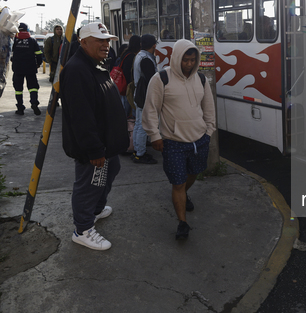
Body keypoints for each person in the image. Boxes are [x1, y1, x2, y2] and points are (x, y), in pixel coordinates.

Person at [60, 22, 128, 251]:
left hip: (105, 143)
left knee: (112, 170)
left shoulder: (95, 65)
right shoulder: (78, 69)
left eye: (107, 40)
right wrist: (94, 149)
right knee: (90, 183)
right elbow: (82, 117)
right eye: (100, 40)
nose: (106, 45)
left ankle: (96, 210)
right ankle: (83, 229)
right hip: (94, 147)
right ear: (84, 42)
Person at [142, 39, 216, 240]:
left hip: (199, 139)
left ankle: (183, 194)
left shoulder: (200, 79)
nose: (189, 64)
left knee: (192, 174)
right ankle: (182, 222)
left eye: (193, 60)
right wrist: (154, 136)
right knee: (177, 183)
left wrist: (209, 132)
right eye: (185, 60)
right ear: (176, 58)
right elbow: (150, 110)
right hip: (173, 142)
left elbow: (208, 108)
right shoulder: (161, 79)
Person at [131, 34, 159, 164]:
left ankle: (137, 151)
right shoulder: (146, 59)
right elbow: (151, 80)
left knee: (138, 124)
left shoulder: (139, 56)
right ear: (154, 45)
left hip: (138, 94)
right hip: (144, 95)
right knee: (143, 126)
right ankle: (140, 154)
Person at [11, 23, 43, 115]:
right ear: (27, 30)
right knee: (33, 87)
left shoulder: (14, 40)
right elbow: (38, 53)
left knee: (18, 89)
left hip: (18, 68)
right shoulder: (32, 40)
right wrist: (38, 63)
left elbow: (10, 53)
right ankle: (34, 103)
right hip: (30, 67)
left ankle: (20, 108)